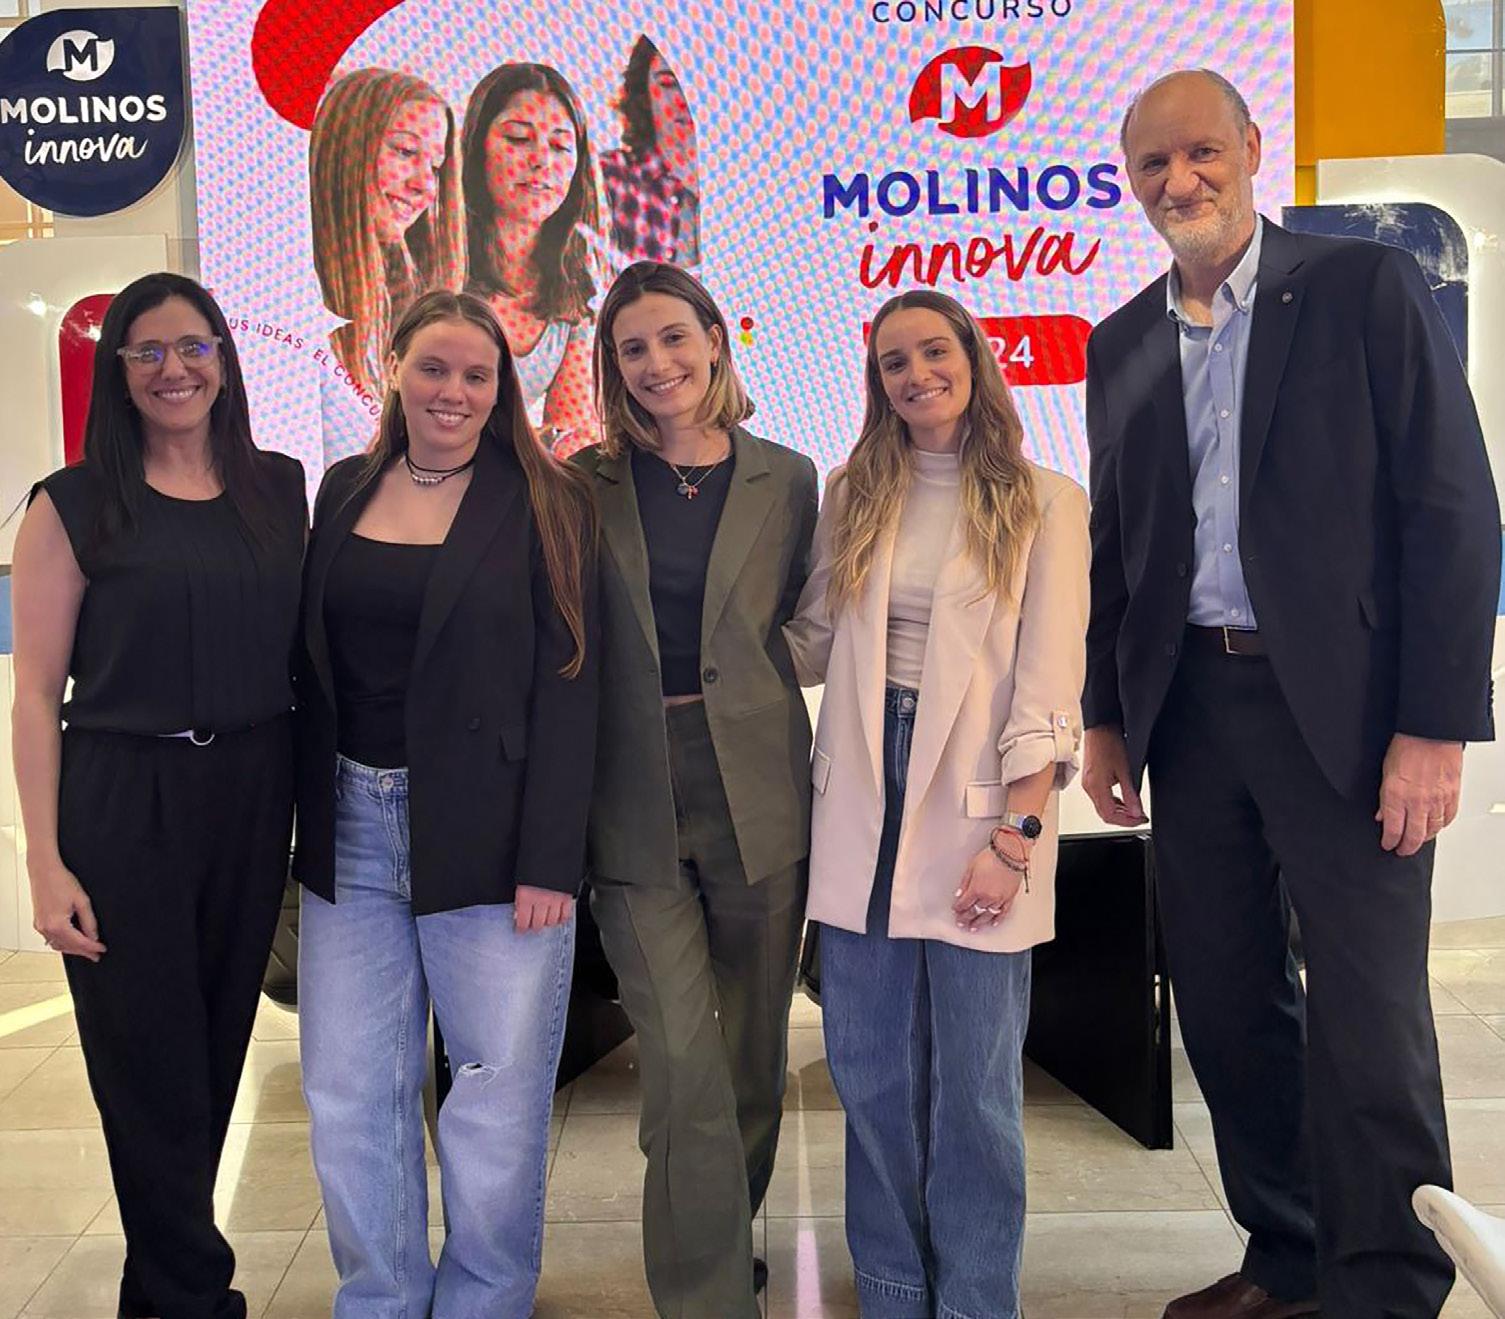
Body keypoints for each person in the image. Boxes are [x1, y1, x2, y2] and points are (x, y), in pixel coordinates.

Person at [1081, 69, 1500, 1319]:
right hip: (1190, 716)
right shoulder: (1119, 341)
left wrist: (1432, 725)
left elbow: (1450, 506)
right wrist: (1105, 714)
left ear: (1252, 148)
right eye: (1152, 164)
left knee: (1368, 1018)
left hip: (1349, 715)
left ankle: (1386, 1287)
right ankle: (1288, 1255)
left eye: (1200, 152)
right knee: (1222, 1002)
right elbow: (1118, 547)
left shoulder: (1364, 289)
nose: (1179, 180)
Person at [293, 289, 598, 1318]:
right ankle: (379, 1295)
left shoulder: (547, 499)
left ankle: (484, 1298)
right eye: (433, 367)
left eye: (476, 374)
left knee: (495, 1090)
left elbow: (573, 686)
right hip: (350, 825)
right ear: (393, 368)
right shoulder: (343, 487)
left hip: (493, 832)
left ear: (501, 387)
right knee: (348, 1090)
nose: (454, 391)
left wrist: (551, 858)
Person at [785, 288, 1088, 1319]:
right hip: (858, 804)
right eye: (892, 362)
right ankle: (889, 1289)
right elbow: (811, 638)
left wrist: (1015, 837)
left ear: (971, 356)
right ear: (875, 383)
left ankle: (973, 1299)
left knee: (975, 1092)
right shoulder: (851, 490)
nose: (915, 374)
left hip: (981, 810)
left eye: (931, 351)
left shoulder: (1045, 500)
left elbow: (1048, 693)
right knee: (867, 1074)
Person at [11, 272, 306, 1318]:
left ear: (224, 357)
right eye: (147, 350)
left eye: (193, 345)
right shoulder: (72, 502)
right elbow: (36, 693)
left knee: (217, 1050)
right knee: (147, 1065)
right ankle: (192, 1296)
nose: (173, 368)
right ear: (118, 369)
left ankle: (161, 1291)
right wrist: (44, 862)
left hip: (252, 791)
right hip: (123, 799)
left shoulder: (279, 486)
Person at [572, 260, 816, 1318]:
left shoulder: (789, 478)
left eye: (674, 336)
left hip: (758, 790)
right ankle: (705, 1295)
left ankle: (718, 1239)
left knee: (751, 1057)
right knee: (678, 1058)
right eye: (631, 347)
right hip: (628, 794)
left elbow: (801, 626)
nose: (656, 362)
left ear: (715, 339)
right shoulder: (580, 484)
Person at [309, 67, 464, 441]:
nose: (425, 186)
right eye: (406, 152)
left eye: (435, 167)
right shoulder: (292, 287)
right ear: (345, 148)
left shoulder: (406, 303)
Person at [461, 62, 602, 454]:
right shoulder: (441, 260)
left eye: (560, 146)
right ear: (477, 148)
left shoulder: (578, 280)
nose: (542, 160)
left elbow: (571, 432)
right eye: (519, 138)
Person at [601, 37, 701, 269]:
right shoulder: (606, 178)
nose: (685, 100)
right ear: (645, 93)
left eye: (697, 84)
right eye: (668, 83)